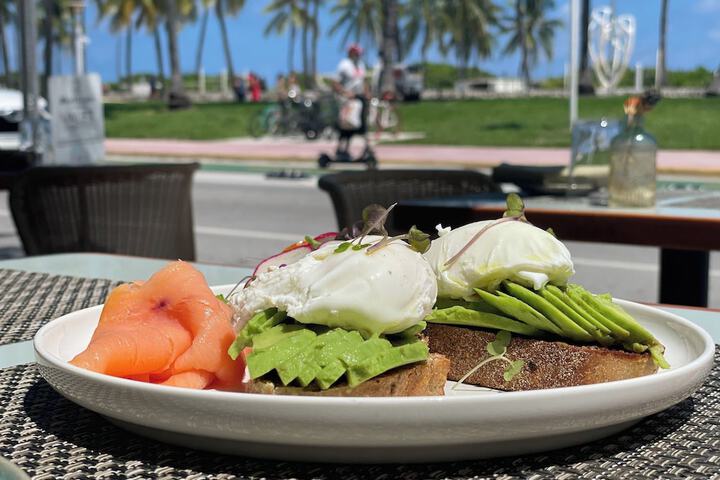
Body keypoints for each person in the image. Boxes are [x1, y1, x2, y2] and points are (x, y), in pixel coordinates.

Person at [333, 44, 371, 160]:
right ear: (350, 53)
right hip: (347, 100)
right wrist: (346, 93)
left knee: (358, 125)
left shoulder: (360, 65)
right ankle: (340, 149)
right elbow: (335, 83)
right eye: (356, 53)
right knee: (346, 125)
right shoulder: (344, 65)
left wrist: (367, 92)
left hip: (359, 99)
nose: (358, 55)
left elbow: (363, 81)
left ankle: (355, 149)